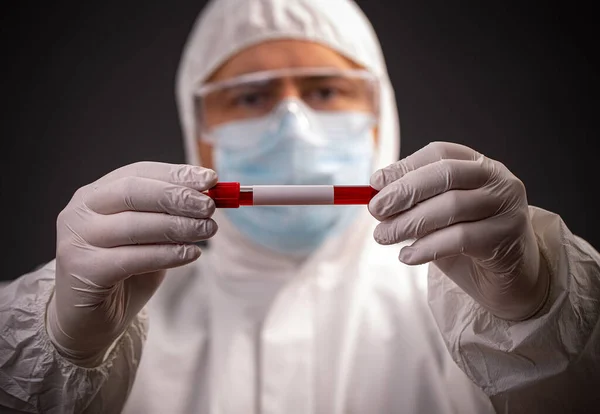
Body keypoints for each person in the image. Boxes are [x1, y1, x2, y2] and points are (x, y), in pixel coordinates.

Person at [1, 0, 598, 412]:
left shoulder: (475, 309)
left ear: (378, 115)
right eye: (250, 95)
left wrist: (537, 315)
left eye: (324, 89)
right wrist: (64, 346)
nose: (292, 119)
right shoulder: (117, 315)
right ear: (198, 130)